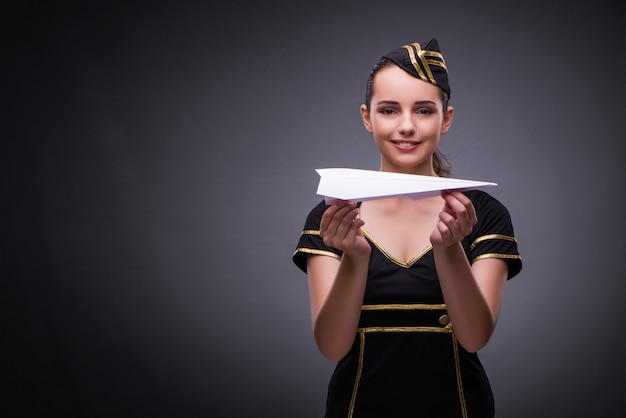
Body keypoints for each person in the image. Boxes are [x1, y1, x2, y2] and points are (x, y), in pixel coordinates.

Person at [292, 38, 522, 417]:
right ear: (367, 117)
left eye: (424, 110)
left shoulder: (482, 214)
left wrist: (450, 249)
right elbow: (332, 347)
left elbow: (475, 336)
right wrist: (354, 256)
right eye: (389, 110)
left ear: (445, 119)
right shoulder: (332, 215)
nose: (407, 126)